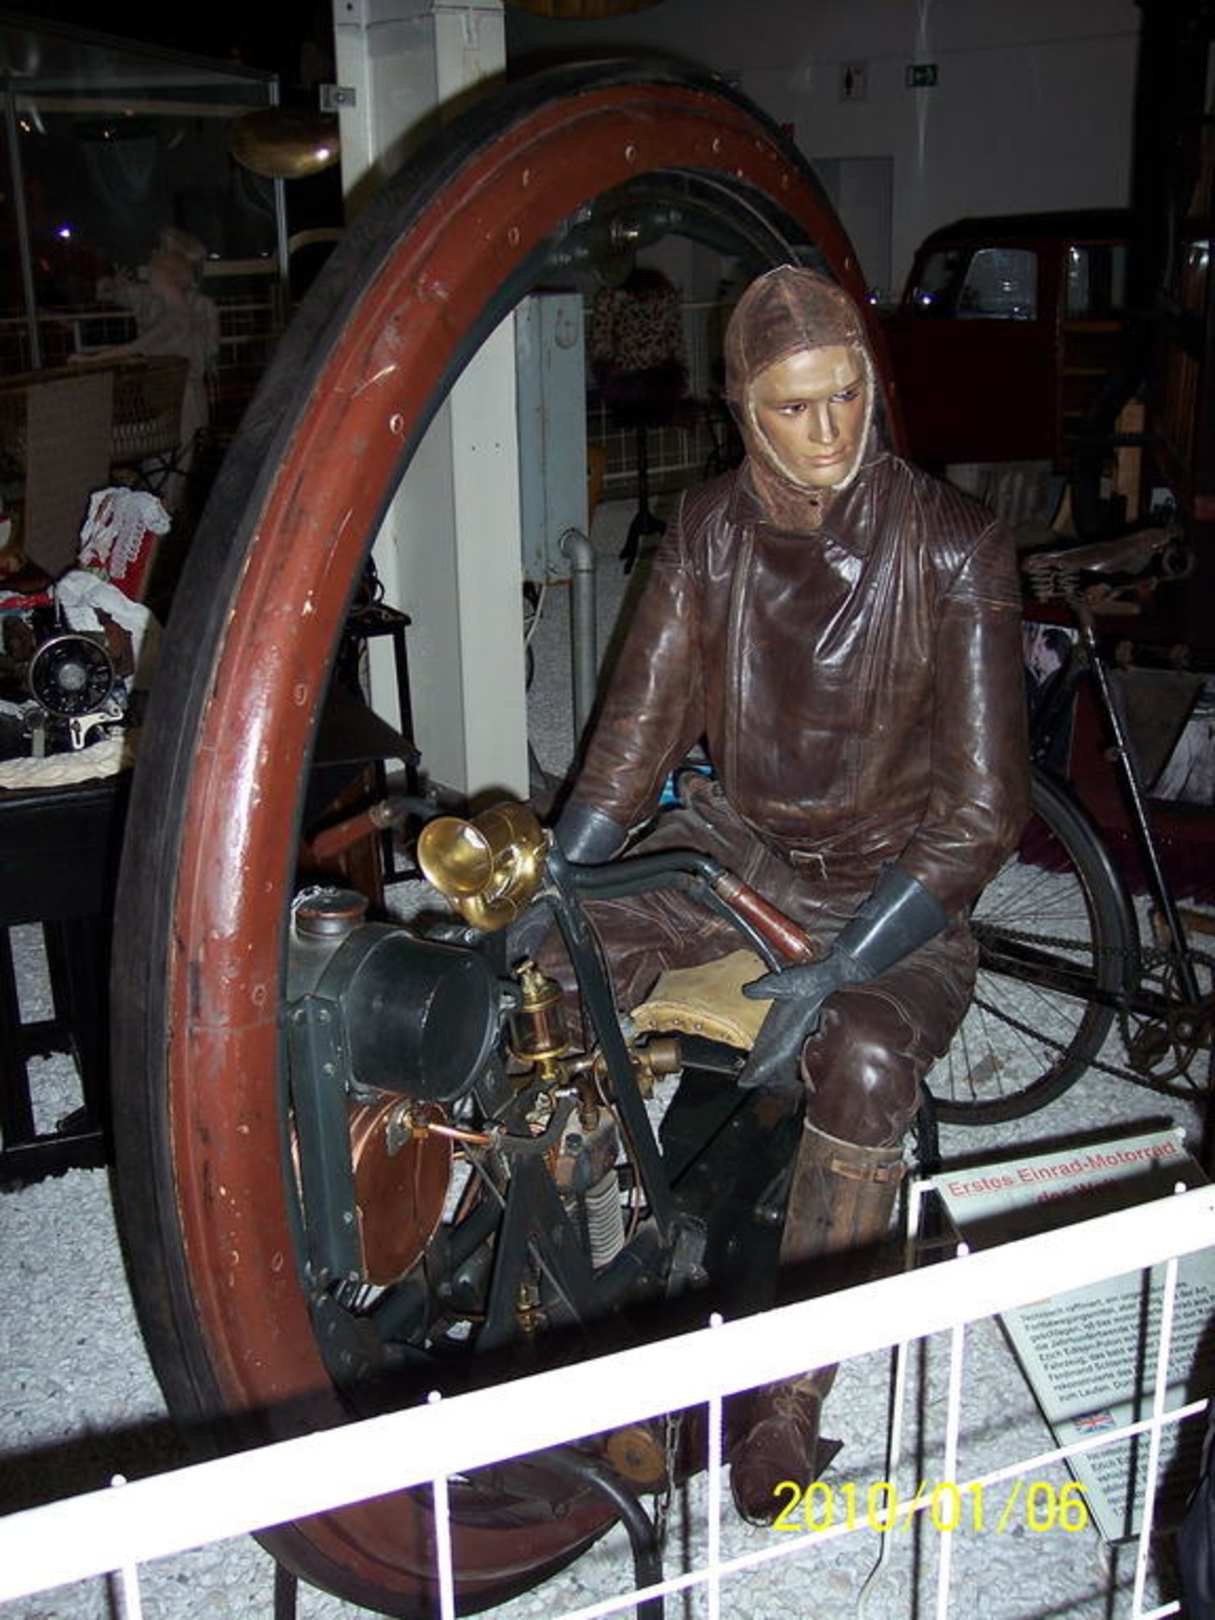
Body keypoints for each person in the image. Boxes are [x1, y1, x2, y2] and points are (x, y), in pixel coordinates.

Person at [538, 265, 1030, 1522]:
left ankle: (791, 1399)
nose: (830, 431)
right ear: (743, 412)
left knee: (862, 1058)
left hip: (891, 889)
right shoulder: (709, 530)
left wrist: (850, 960)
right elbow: (634, 740)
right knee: (547, 968)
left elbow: (983, 813)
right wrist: (564, 874)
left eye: (846, 394)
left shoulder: (957, 543)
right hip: (730, 855)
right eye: (794, 407)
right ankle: (575, 1279)